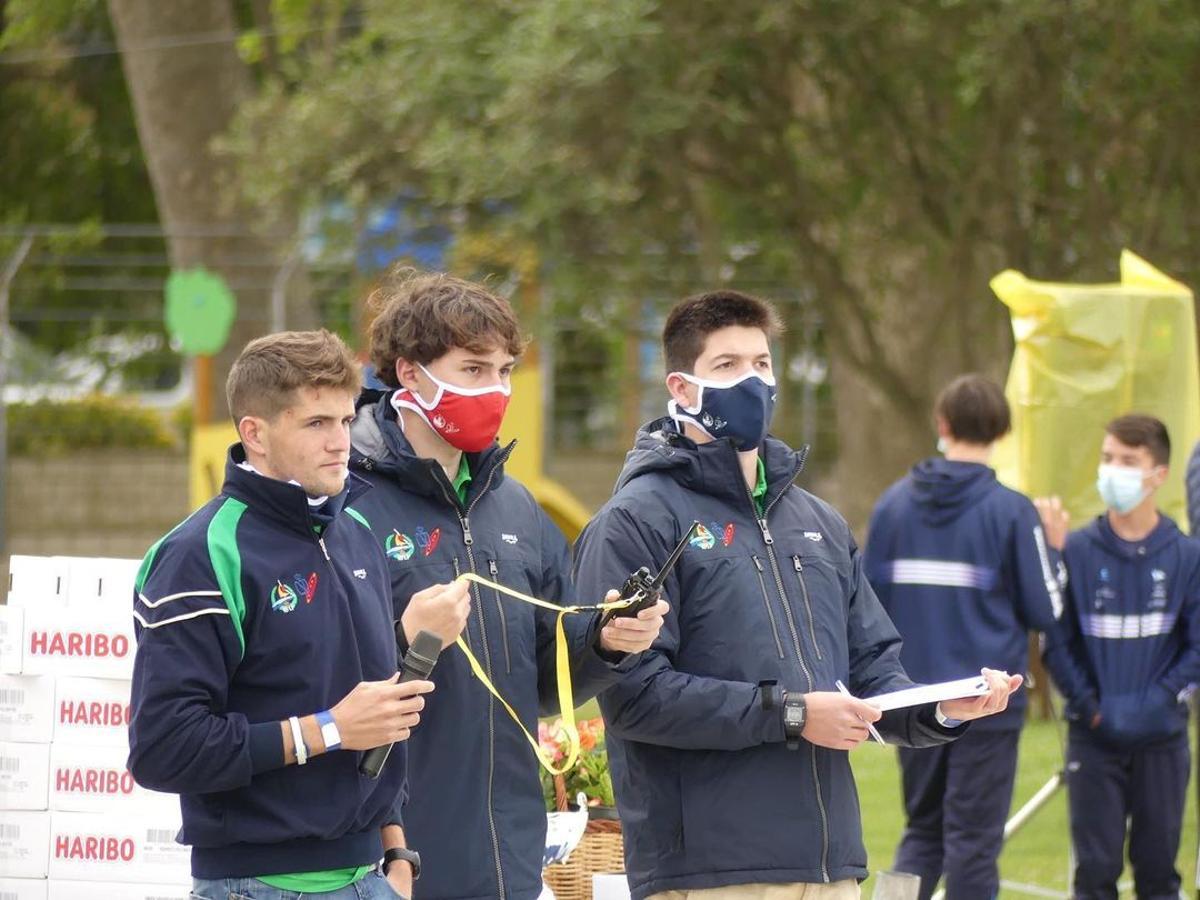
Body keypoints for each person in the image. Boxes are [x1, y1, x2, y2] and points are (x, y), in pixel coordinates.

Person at [572, 290, 1021, 900]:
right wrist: (793, 715)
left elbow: (872, 671)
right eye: (727, 365)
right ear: (681, 388)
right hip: (711, 874)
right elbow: (635, 699)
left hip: (831, 868)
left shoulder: (818, 521)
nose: (752, 380)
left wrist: (941, 710)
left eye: (761, 363)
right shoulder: (635, 521)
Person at [347, 271, 667, 900]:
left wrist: (606, 642)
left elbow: (544, 683)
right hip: (394, 860)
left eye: (504, 370)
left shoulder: (516, 505)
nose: (495, 390)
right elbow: (314, 681)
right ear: (410, 373)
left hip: (511, 862)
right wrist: (407, 638)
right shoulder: (345, 502)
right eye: (473, 369)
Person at [128, 329, 468, 900]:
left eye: (346, 419)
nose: (341, 442)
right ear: (254, 433)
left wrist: (396, 853)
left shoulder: (356, 530)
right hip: (256, 883)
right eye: (316, 423)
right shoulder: (199, 553)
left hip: (372, 877)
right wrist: (328, 729)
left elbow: (377, 717)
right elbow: (164, 749)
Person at [863, 373, 1067, 900]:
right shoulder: (1013, 511)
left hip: (912, 699)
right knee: (973, 844)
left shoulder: (892, 506)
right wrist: (1054, 551)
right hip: (987, 700)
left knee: (921, 832)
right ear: (1001, 431)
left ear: (942, 423)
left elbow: (862, 604)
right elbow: (1046, 610)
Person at [1043, 414, 1200, 900]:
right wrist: (1091, 707)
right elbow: (1057, 642)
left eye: (1128, 461)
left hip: (1162, 740)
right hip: (1093, 738)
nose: (1113, 470)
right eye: (1108, 458)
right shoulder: (1077, 551)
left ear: (1158, 475)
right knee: (1095, 873)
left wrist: (1158, 701)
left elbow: (1197, 648)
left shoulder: (1186, 556)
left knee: (1157, 873)